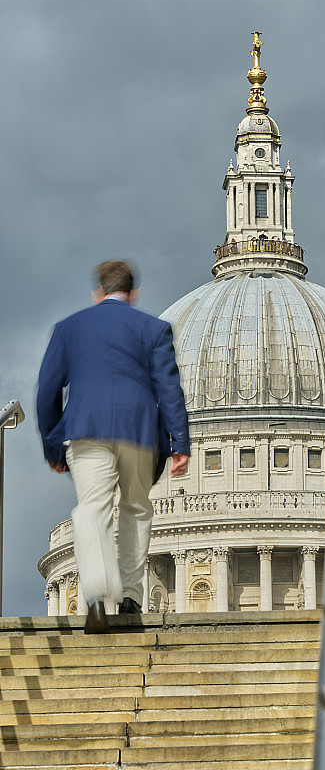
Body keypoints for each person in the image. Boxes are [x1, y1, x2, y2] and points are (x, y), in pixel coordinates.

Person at [37, 261, 190, 634]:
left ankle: (98, 594)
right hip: (138, 432)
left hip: (86, 430)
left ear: (98, 292)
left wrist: (53, 446)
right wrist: (179, 443)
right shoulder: (154, 329)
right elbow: (170, 391)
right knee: (135, 509)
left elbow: (46, 393)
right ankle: (131, 596)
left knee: (92, 510)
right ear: (133, 293)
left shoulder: (68, 329)